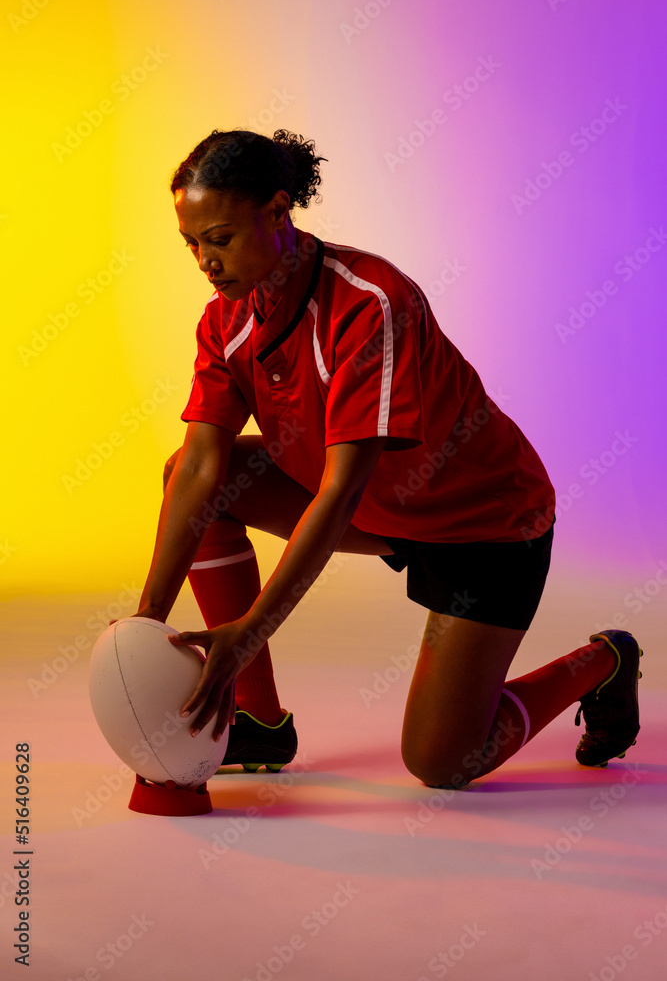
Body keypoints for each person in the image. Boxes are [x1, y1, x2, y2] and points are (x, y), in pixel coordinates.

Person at [134, 128, 641, 789]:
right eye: (191, 243)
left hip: (483, 524)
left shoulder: (368, 302)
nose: (205, 260)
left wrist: (251, 629)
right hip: (385, 511)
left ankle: (602, 661)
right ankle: (258, 724)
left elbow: (341, 489)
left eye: (220, 238)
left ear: (277, 211)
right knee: (194, 475)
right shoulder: (223, 322)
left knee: (441, 763)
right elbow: (202, 469)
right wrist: (145, 623)